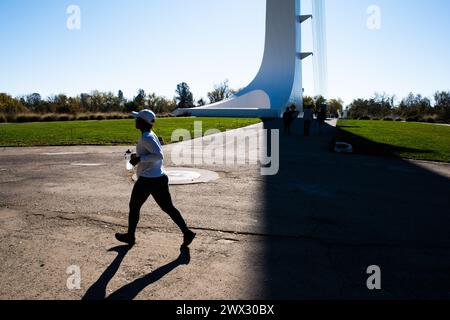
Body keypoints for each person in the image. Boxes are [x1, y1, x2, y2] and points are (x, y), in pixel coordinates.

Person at [115, 109, 196, 248]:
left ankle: (130, 236)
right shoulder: (149, 135)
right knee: (168, 208)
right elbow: (152, 153)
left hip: (148, 179)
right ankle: (187, 232)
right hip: (158, 177)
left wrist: (140, 158)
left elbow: (159, 155)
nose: (135, 120)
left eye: (137, 118)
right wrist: (136, 155)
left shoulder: (147, 137)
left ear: (142, 122)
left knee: (134, 207)